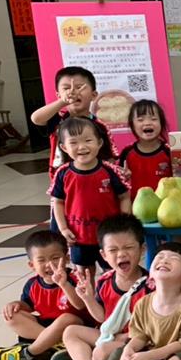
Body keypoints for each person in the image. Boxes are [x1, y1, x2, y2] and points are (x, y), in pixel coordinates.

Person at [54, 214, 152, 360]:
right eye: (113, 250)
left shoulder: (150, 285)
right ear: (104, 255)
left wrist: (125, 339)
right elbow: (102, 318)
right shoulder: (104, 281)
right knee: (71, 332)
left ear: (142, 249)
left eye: (128, 247)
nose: (121, 254)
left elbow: (154, 327)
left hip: (138, 342)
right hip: (111, 335)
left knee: (105, 351)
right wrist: (88, 299)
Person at [0, 230, 87, 360]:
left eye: (55, 258)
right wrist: (16, 304)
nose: (49, 264)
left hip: (74, 326)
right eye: (41, 260)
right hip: (44, 327)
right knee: (12, 316)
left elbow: (80, 305)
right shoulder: (32, 284)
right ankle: (53, 345)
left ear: (67, 258)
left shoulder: (75, 278)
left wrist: (64, 284)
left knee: (67, 318)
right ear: (32, 265)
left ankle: (28, 353)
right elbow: (28, 306)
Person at [49, 117, 131, 276]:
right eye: (73, 143)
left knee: (113, 272)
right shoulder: (63, 173)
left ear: (99, 143)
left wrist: (123, 222)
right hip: (78, 237)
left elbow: (124, 196)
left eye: (88, 140)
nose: (82, 147)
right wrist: (63, 228)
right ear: (64, 147)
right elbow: (58, 202)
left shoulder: (110, 170)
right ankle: (88, 294)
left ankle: (109, 292)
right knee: (83, 273)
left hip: (109, 237)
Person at [30, 66, 111, 178]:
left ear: (93, 95)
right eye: (66, 88)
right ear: (59, 96)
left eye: (79, 87)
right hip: (62, 179)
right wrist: (63, 101)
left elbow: (109, 156)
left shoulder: (99, 126)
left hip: (95, 178)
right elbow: (36, 118)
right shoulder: (57, 120)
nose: (73, 92)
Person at [118, 99, 172, 199]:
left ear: (161, 123)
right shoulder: (127, 153)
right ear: (132, 125)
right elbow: (119, 186)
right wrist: (123, 178)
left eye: (153, 119)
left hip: (165, 206)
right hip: (135, 206)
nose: (147, 123)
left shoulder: (169, 152)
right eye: (140, 120)